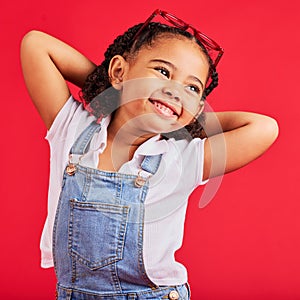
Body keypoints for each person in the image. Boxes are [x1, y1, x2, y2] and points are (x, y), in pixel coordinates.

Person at [20, 9, 278, 300]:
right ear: (119, 71)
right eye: (163, 72)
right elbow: (36, 45)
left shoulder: (182, 159)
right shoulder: (72, 128)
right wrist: (111, 87)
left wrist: (185, 118)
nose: (175, 90)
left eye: (192, 88)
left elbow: (264, 128)